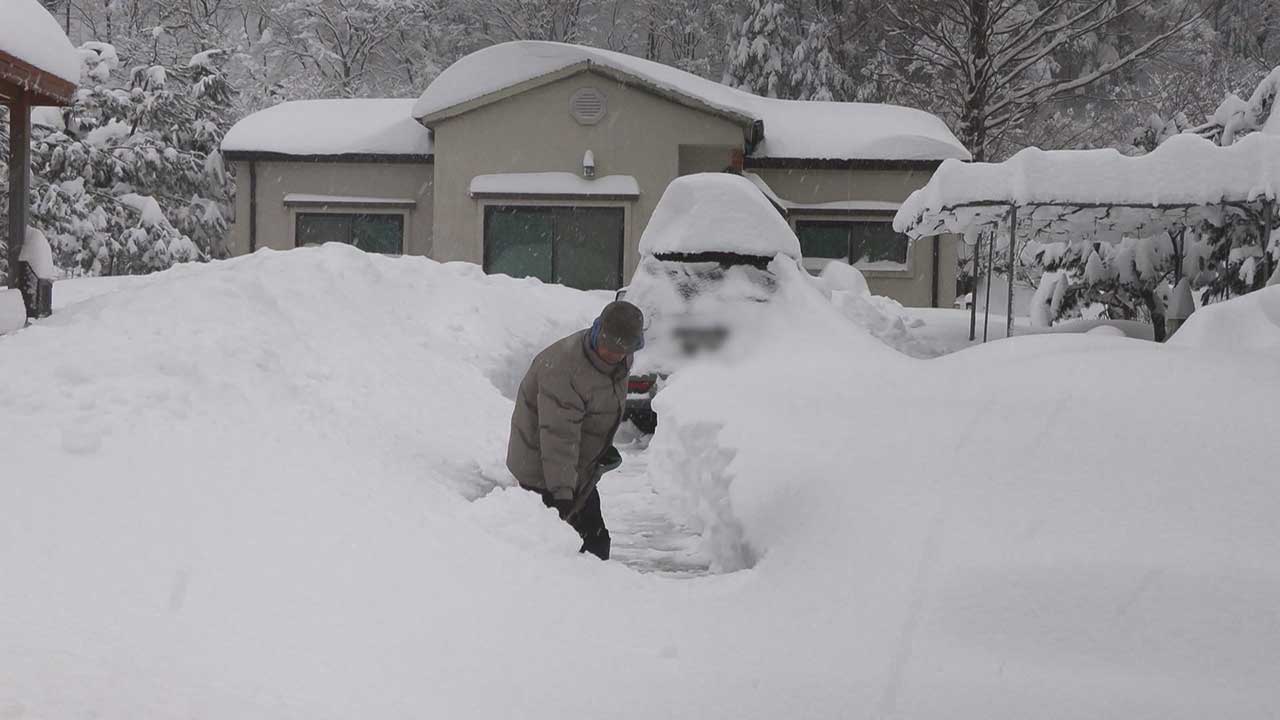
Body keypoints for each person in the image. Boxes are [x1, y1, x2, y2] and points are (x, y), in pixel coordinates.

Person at [506, 301, 646, 560]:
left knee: (595, 541)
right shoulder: (564, 369)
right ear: (597, 332)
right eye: (609, 349)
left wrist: (600, 446)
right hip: (543, 471)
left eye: (622, 352)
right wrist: (561, 495)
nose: (613, 355)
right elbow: (558, 435)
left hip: (577, 466)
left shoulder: (617, 359)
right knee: (559, 551)